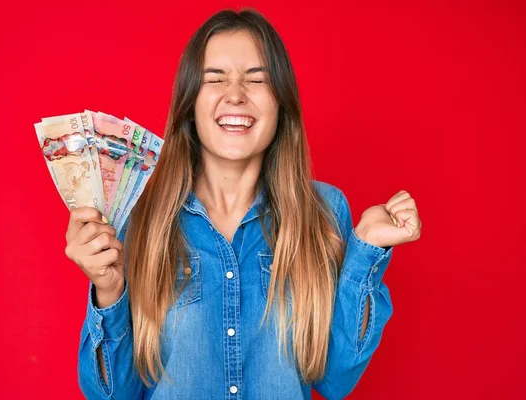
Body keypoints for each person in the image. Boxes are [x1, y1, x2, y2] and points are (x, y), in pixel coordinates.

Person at [65, 8, 422, 400]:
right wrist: (109, 291)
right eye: (214, 79)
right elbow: (112, 395)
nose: (235, 94)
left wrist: (365, 253)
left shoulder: (325, 212)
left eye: (256, 79)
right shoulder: (139, 216)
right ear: (189, 105)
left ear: (281, 104)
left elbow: (336, 379)